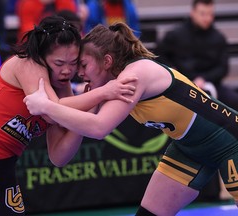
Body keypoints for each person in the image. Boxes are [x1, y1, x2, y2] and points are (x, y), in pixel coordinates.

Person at [24, 21, 238, 215]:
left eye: (83, 65)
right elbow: (78, 128)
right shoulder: (113, 85)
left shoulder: (134, 75)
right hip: (189, 149)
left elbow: (99, 128)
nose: (78, 73)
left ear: (107, 61)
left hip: (231, 141)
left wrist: (46, 106)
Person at [0, 15, 135, 216]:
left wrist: (89, 107)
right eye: (59, 63)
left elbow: (59, 156)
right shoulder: (27, 64)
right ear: (42, 56)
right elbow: (50, 110)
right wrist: (103, 92)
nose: (67, 71)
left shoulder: (62, 88)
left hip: (3, 171)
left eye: (73, 63)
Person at [155, 0, 238, 110]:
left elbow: (222, 68)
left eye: (210, 14)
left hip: (210, 84)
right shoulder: (175, 35)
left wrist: (203, 79)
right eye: (203, 14)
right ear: (193, 12)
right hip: (180, 84)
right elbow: (159, 56)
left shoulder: (219, 38)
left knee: (234, 100)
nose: (207, 18)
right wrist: (173, 73)